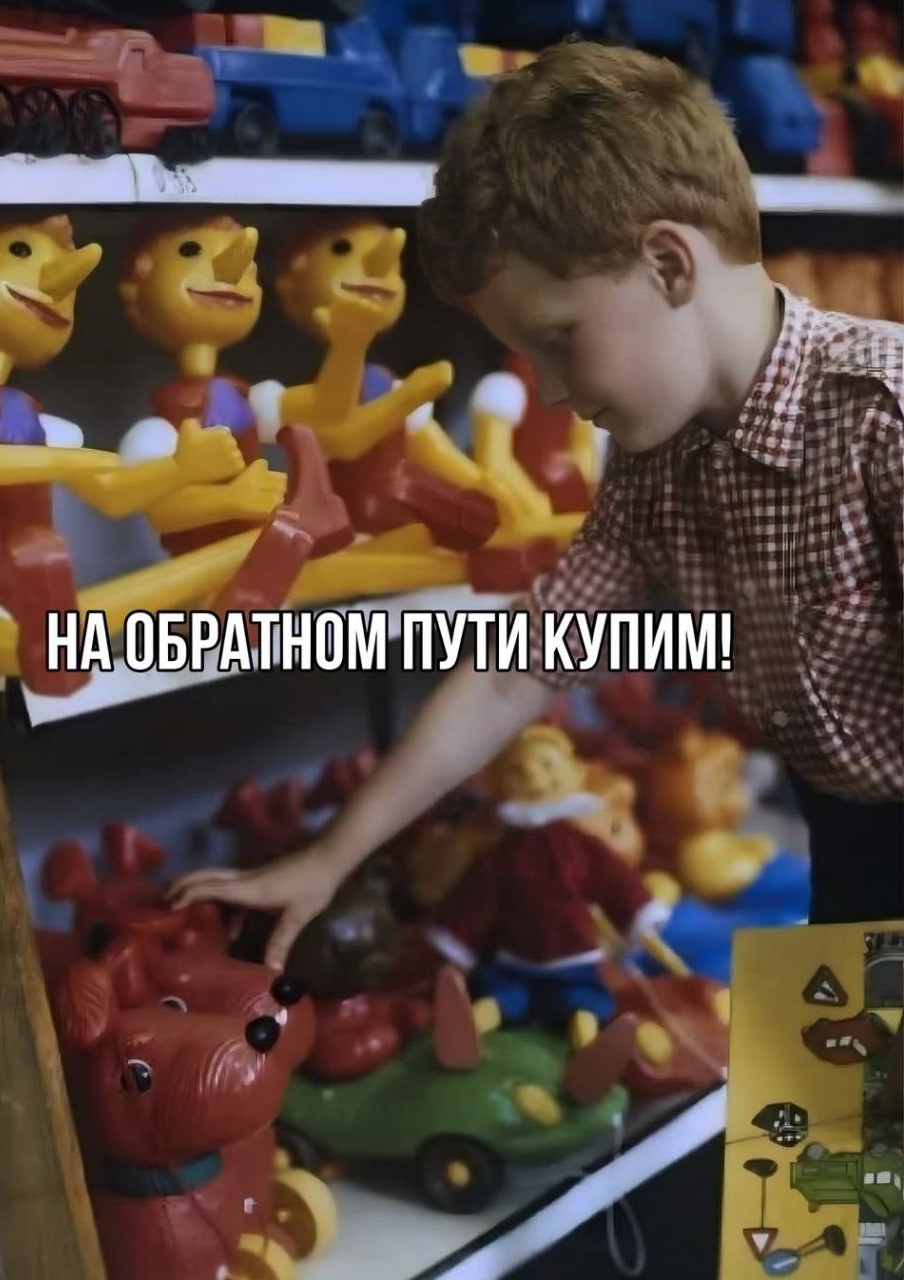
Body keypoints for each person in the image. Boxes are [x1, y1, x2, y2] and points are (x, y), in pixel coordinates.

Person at [170, 41, 904, 964]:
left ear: (668, 264)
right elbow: (519, 667)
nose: (551, 391)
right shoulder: (657, 460)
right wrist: (326, 860)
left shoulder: (882, 417)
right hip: (847, 834)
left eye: (558, 339)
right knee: (829, 1061)